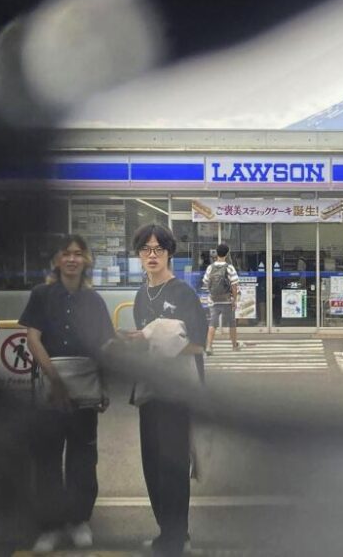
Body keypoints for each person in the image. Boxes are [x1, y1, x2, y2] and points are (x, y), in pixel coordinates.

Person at [20, 235, 116, 552]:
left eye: (78, 254)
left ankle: (78, 521)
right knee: (47, 459)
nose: (72, 259)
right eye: (66, 254)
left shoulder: (94, 301)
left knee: (82, 459)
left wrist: (104, 385)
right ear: (57, 261)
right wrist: (55, 380)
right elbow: (33, 339)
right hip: (50, 389)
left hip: (86, 390)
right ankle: (49, 527)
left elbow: (103, 345)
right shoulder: (41, 295)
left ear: (86, 260)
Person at [124, 224, 208, 557]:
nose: (152, 255)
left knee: (173, 467)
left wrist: (159, 338)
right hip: (149, 391)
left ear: (169, 252)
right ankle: (166, 532)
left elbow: (199, 345)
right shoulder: (141, 295)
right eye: (146, 249)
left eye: (158, 249)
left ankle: (178, 537)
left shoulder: (183, 293)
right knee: (153, 465)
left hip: (177, 392)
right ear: (139, 255)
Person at [202, 243, 242, 354]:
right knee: (232, 323)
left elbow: (205, 282)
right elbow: (234, 285)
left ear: (216, 253)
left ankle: (209, 346)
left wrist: (211, 293)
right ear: (227, 254)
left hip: (214, 300)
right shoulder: (229, 267)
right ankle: (234, 345)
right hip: (227, 300)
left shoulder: (210, 267)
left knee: (213, 324)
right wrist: (234, 300)